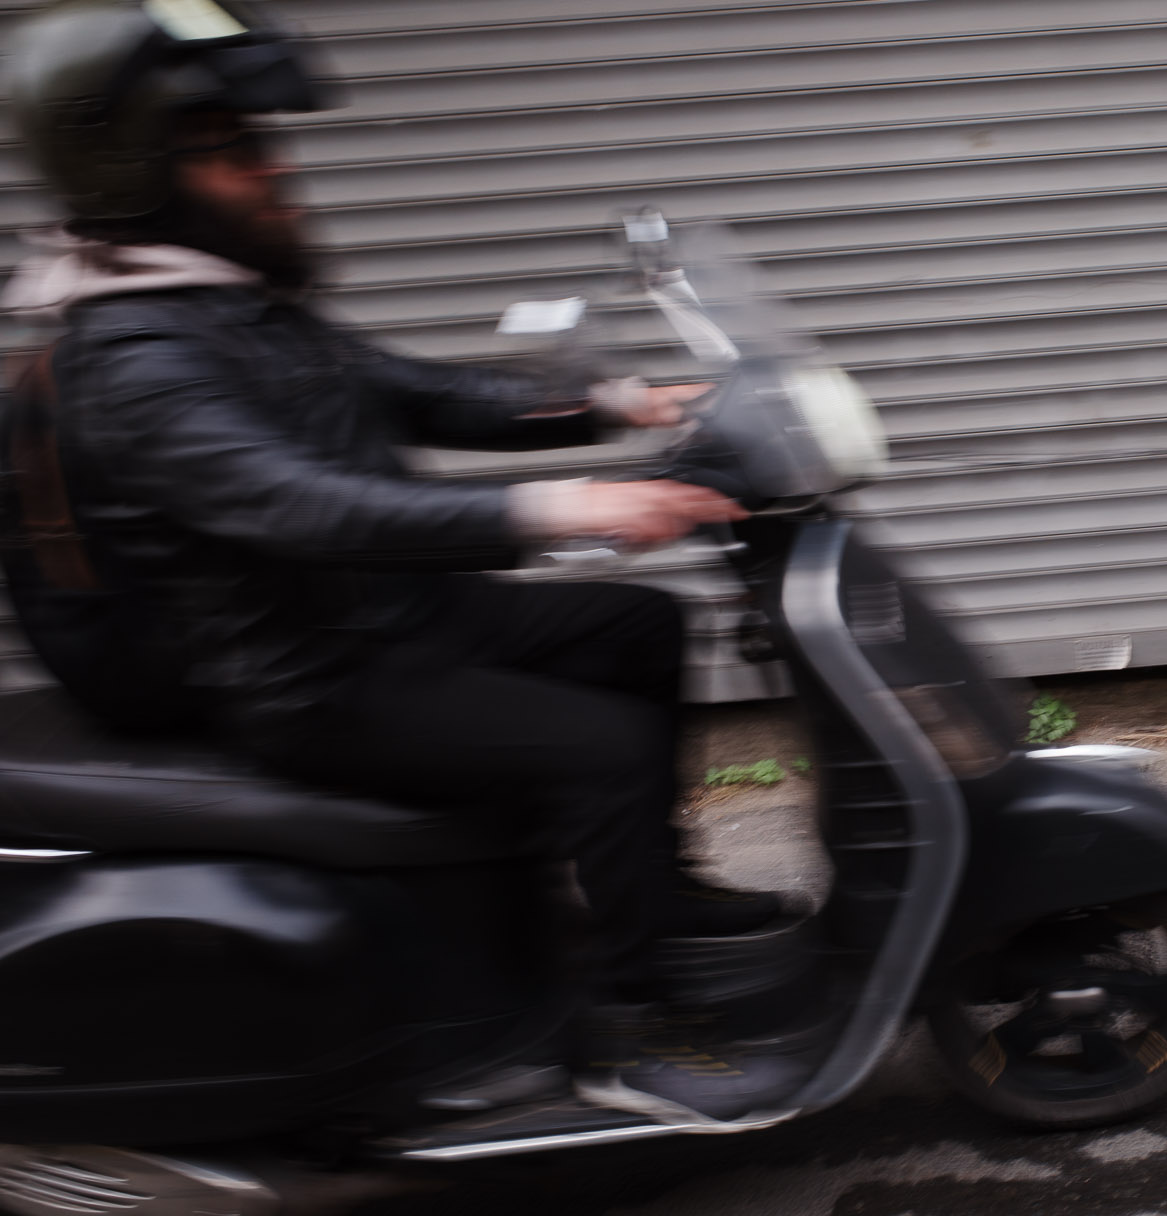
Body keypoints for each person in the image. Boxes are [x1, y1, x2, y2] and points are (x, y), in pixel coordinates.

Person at [2, 0, 809, 1121]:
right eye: (229, 146)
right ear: (132, 170)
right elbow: (302, 507)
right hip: (319, 679)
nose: (274, 166)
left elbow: (414, 389)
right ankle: (630, 1031)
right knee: (602, 744)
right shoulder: (137, 358)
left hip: (394, 618)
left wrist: (620, 404)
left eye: (260, 138)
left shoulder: (221, 306)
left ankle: (656, 896)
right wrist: (563, 506)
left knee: (638, 626)